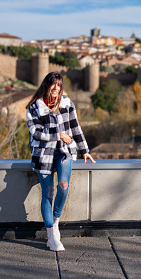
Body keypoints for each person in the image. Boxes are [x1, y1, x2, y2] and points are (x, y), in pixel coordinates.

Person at [26, 72, 95, 251]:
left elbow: (75, 126)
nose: (56, 88)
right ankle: (51, 235)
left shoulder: (66, 103)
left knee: (63, 186)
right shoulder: (34, 107)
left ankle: (56, 222)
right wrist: (58, 135)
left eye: (59, 85)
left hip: (65, 152)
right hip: (43, 154)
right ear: (46, 85)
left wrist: (84, 150)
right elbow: (36, 133)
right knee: (47, 193)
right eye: (53, 84)